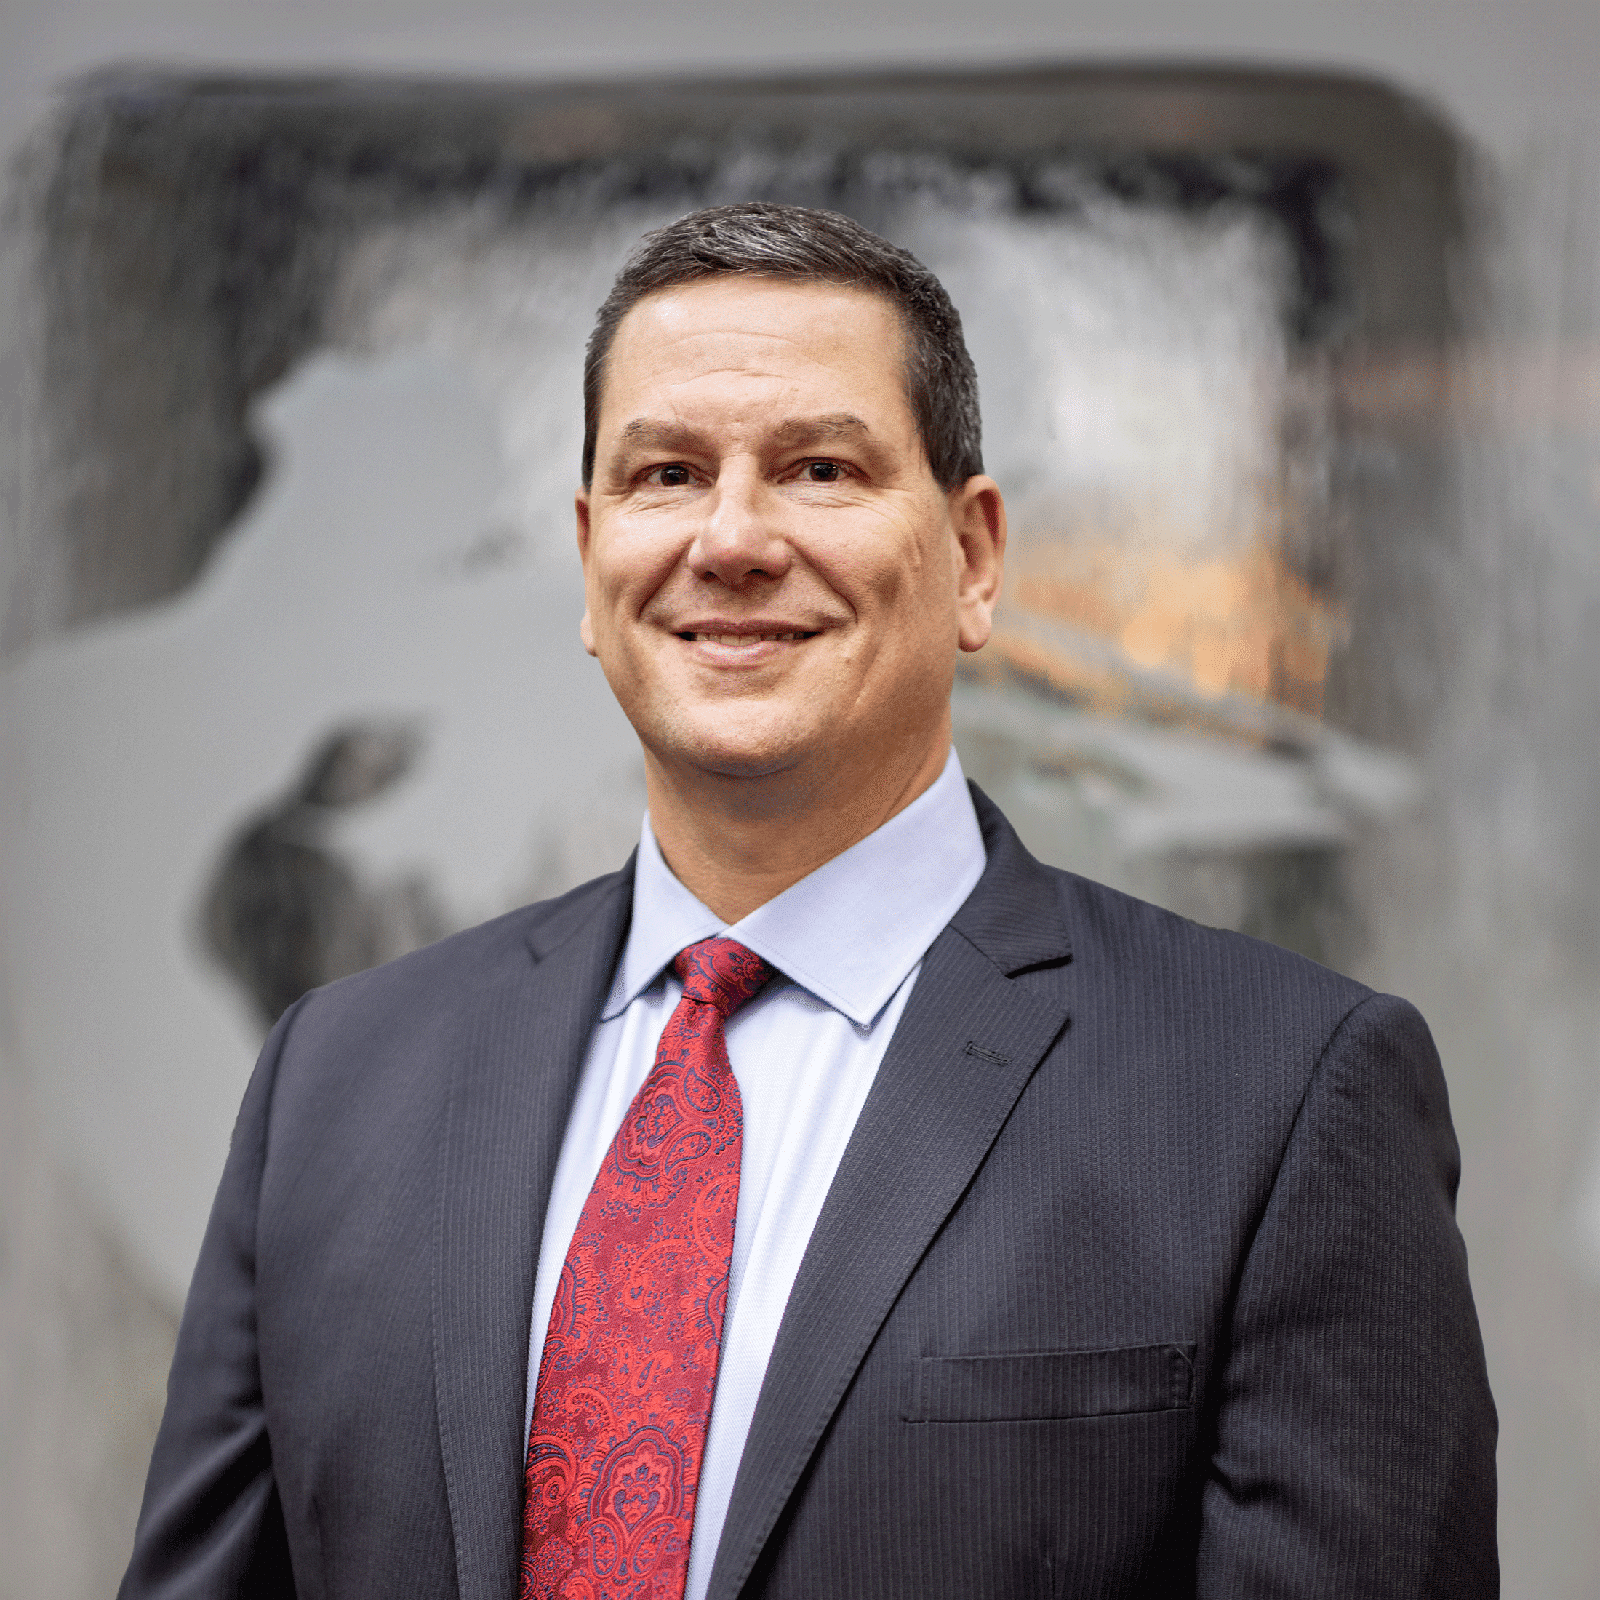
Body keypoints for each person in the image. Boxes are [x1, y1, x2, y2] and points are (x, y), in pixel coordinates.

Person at [121, 202, 1497, 1600]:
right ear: (592, 560)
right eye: (666, 473)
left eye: (820, 468)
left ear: (974, 553)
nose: (731, 539)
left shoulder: (1278, 1095)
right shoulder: (336, 1082)